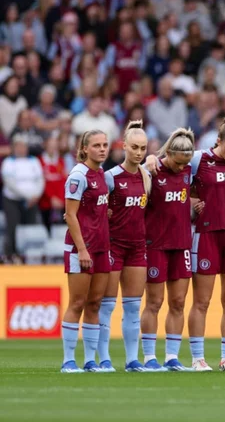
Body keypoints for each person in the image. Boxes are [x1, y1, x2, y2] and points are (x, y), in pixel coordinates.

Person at [148, 118, 225, 372]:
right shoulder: (198, 159)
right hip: (206, 236)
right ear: (218, 141)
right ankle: (197, 357)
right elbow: (172, 160)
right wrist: (152, 157)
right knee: (201, 301)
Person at [140, 128, 196, 371]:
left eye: (185, 162)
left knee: (178, 302)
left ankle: (172, 356)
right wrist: (148, 158)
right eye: (177, 161)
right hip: (156, 245)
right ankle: (149, 357)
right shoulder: (151, 171)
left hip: (182, 244)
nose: (180, 167)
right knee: (154, 302)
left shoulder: (189, 170)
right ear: (169, 153)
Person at [98, 121, 151, 372]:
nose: (139, 152)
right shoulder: (110, 178)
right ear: (124, 147)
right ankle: (104, 358)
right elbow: (96, 208)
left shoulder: (147, 177)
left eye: (143, 148)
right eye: (135, 147)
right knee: (106, 305)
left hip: (137, 248)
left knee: (132, 306)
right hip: (113, 247)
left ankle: (132, 360)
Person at [61, 130, 111, 373]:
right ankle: (69, 360)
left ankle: (90, 360)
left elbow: (95, 210)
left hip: (102, 247)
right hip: (82, 248)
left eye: (105, 145)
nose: (102, 149)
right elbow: (70, 215)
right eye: (96, 145)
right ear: (84, 149)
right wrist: (82, 250)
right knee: (77, 302)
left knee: (94, 304)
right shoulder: (78, 175)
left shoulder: (101, 174)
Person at [1, 134, 44, 263]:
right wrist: (28, 196)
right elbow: (9, 183)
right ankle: (11, 254)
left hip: (33, 200)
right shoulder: (8, 162)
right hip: (13, 200)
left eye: (23, 146)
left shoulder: (34, 161)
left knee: (31, 227)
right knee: (12, 227)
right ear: (13, 148)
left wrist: (36, 195)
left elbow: (40, 179)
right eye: (18, 146)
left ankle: (28, 255)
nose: (21, 149)